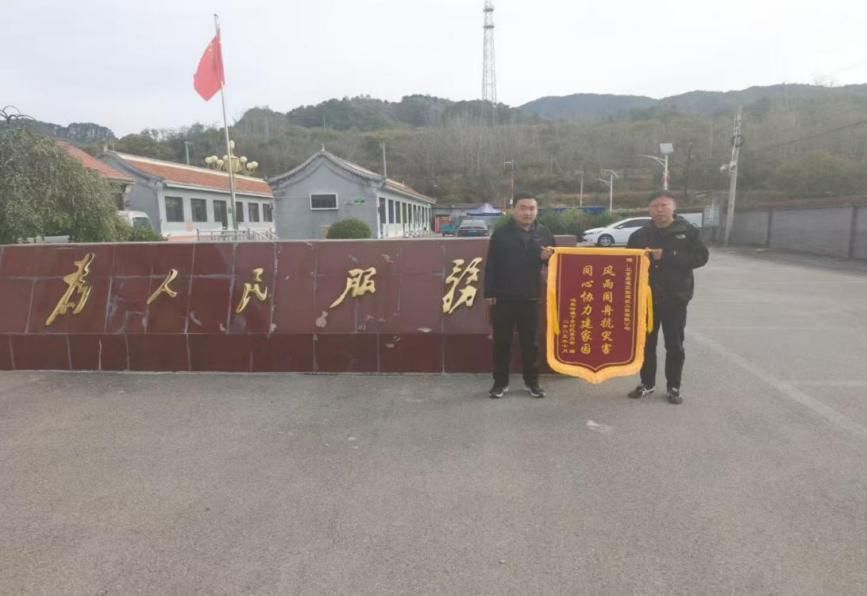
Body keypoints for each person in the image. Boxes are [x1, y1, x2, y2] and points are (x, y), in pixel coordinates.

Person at [626, 191, 709, 404]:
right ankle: (647, 383)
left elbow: (700, 258)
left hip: (675, 298)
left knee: (674, 345)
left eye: (664, 205)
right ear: (649, 209)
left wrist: (669, 256)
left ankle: (674, 387)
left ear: (674, 207)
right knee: (646, 345)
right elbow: (626, 263)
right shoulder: (640, 235)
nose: (659, 210)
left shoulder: (688, 232)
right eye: (655, 206)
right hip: (646, 299)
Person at [484, 193, 555, 399]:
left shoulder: (544, 233)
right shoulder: (501, 234)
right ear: (514, 210)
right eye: (523, 208)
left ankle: (532, 382)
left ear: (537, 211)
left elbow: (556, 262)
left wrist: (547, 258)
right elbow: (491, 264)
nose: (527, 212)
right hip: (503, 297)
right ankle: (500, 383)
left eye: (532, 208)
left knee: (530, 343)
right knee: (501, 342)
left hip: (531, 296)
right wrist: (489, 292)